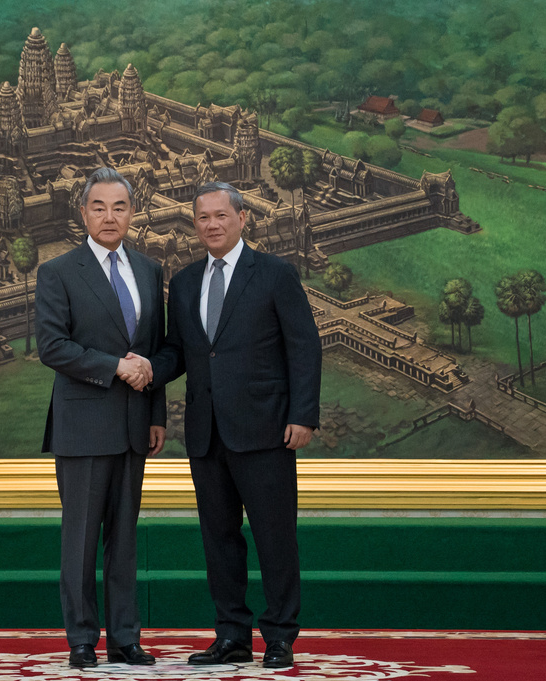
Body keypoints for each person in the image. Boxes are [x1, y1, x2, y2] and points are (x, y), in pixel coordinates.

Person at [143, 180, 322, 669]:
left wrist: (303, 415)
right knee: (219, 540)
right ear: (194, 223)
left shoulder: (276, 274)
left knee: (274, 538)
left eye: (221, 215)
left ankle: (280, 636)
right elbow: (178, 351)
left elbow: (304, 347)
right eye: (203, 217)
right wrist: (147, 369)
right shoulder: (183, 283)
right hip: (206, 434)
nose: (212, 225)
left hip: (266, 430)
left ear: (243, 219)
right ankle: (231, 635)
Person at [35, 167, 165, 669]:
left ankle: (125, 638)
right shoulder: (58, 271)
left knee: (125, 540)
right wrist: (114, 367)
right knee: (81, 540)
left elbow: (153, 350)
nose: (110, 217)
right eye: (99, 207)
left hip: (135, 425)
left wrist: (156, 414)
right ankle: (82, 639)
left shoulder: (150, 270)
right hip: (84, 427)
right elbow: (52, 346)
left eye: (119, 207)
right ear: (83, 212)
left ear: (132, 213)